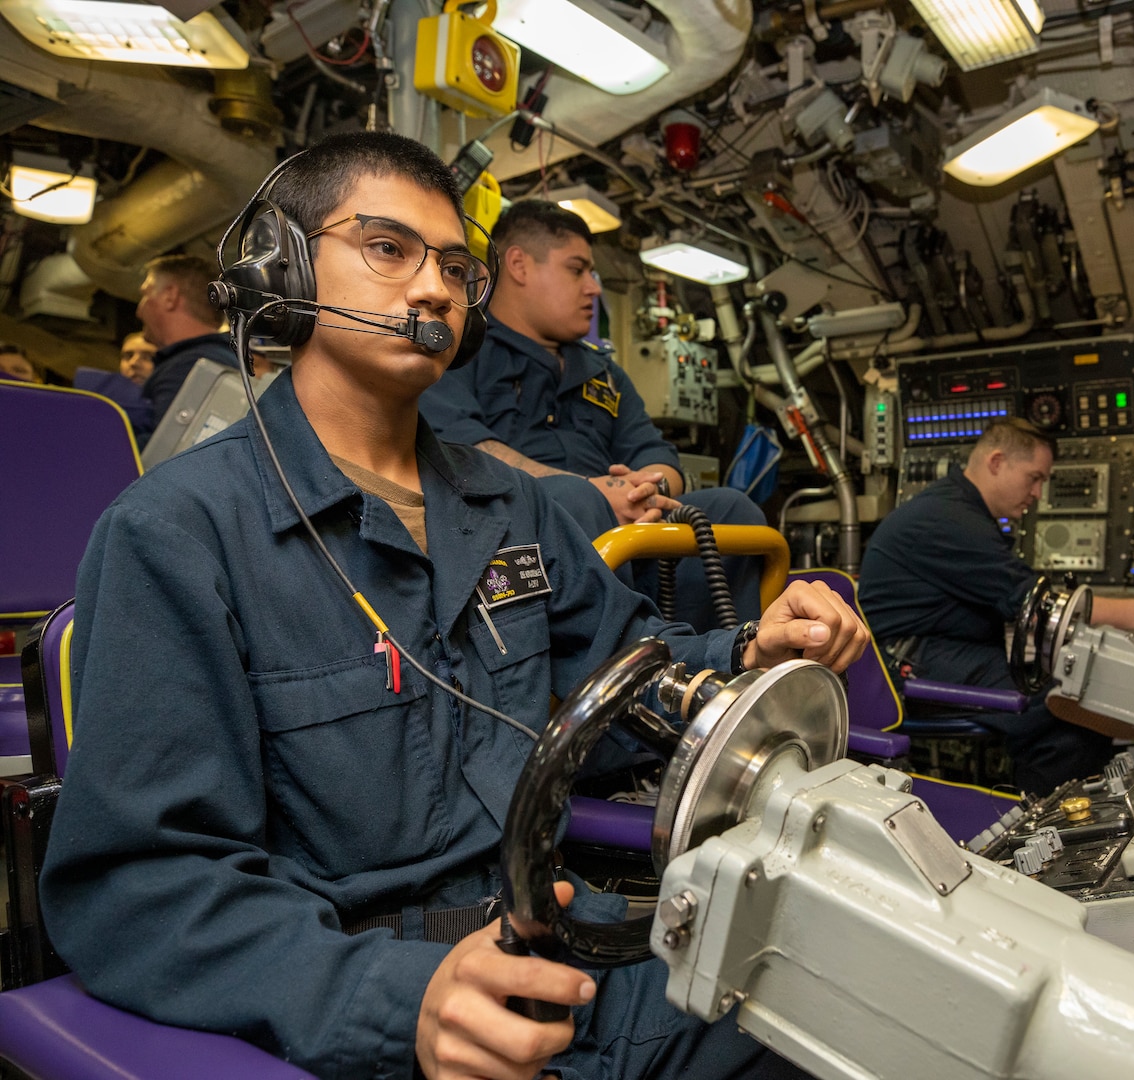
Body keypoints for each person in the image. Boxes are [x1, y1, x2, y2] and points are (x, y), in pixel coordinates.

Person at [40, 131, 868, 1080]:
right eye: (390, 249)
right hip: (388, 1013)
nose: (434, 289)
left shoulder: (513, 504)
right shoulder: (179, 534)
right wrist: (397, 1001)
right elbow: (139, 889)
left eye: (454, 268)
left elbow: (626, 671)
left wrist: (747, 651)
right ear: (286, 265)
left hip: (570, 957)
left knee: (865, 1014)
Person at [419, 200, 767, 634]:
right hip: (515, 538)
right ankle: (618, 678)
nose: (594, 288)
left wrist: (646, 489)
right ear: (520, 266)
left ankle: (718, 674)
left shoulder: (603, 373)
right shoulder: (461, 351)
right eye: (577, 269)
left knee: (732, 508)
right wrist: (595, 492)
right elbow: (464, 450)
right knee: (575, 500)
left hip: (623, 524)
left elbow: (658, 456)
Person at [859, 418, 1134, 792]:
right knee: (1065, 698)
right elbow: (1040, 607)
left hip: (935, 651)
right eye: (1034, 477)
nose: (1039, 492)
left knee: (1075, 690)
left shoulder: (958, 509)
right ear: (996, 462)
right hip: (905, 663)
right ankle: (1047, 827)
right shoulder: (945, 518)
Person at [133, 252, 236, 444]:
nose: (139, 311)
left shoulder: (188, 367)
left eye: (145, 295)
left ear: (170, 297)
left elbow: (161, 456)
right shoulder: (222, 358)